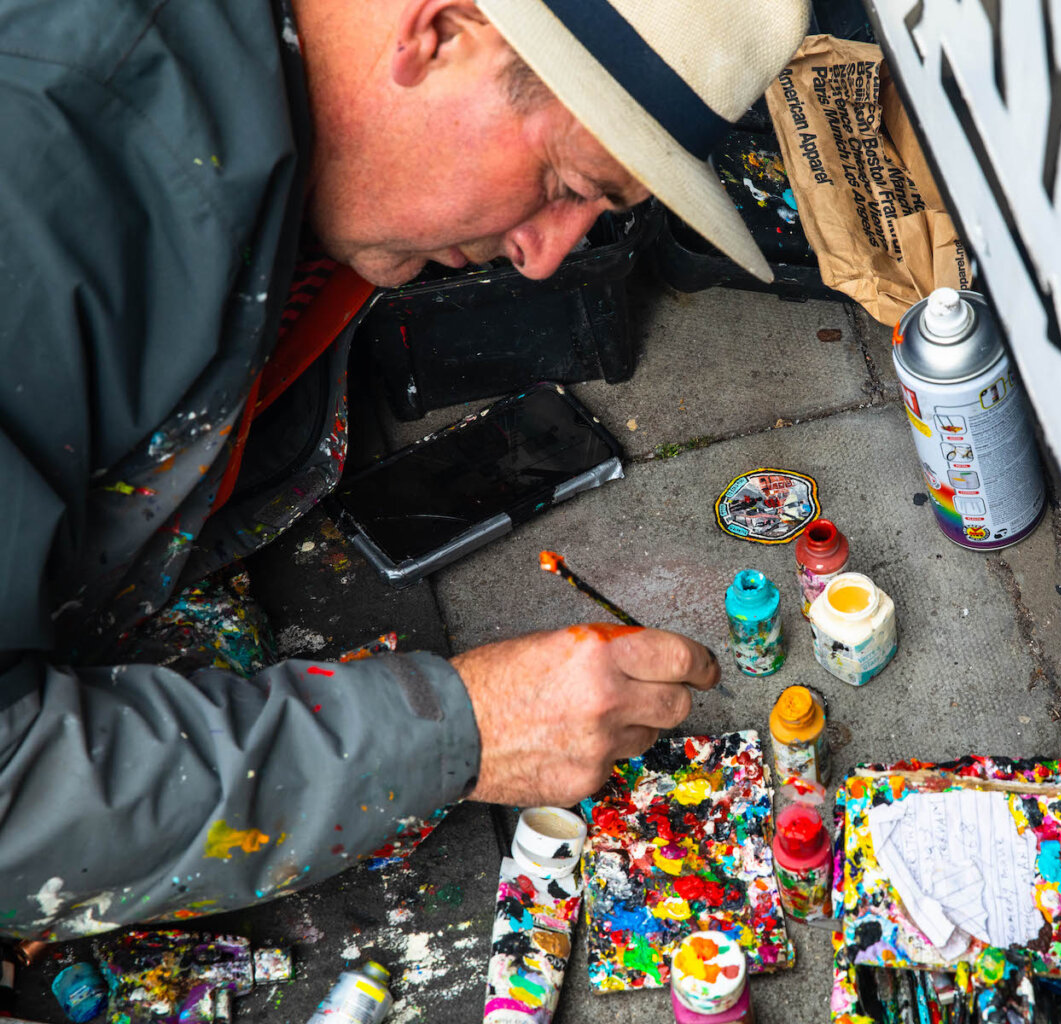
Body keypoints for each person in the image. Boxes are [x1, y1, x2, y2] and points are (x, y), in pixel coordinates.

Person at [0, 0, 809, 938]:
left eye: (598, 210)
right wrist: (460, 731)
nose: (544, 258)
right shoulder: (48, 185)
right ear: (441, 32)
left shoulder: (285, 142)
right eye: (560, 179)